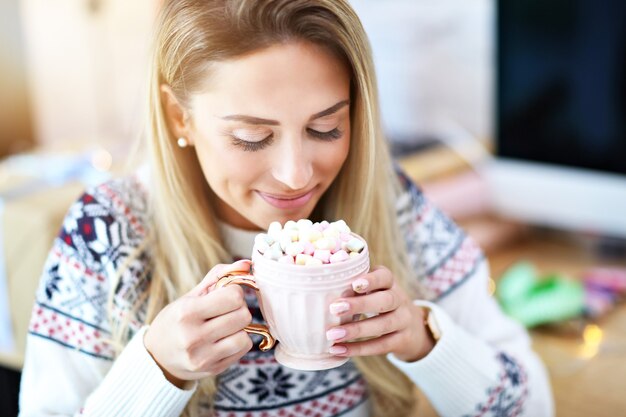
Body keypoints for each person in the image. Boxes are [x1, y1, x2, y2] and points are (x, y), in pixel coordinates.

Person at [18, 1, 554, 416]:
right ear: (178, 116)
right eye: (252, 137)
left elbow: (533, 406)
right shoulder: (107, 231)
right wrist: (155, 368)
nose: (297, 176)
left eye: (326, 128)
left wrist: (424, 340)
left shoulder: (390, 202)